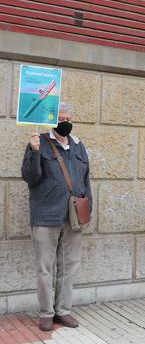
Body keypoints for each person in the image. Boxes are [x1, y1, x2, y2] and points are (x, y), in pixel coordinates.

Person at [21, 102, 92, 331]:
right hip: (45, 215)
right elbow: (30, 178)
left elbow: (85, 179)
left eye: (69, 117)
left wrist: (86, 208)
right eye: (61, 118)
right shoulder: (38, 143)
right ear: (52, 120)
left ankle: (63, 310)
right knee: (45, 268)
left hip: (72, 217)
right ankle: (46, 312)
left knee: (70, 266)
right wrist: (33, 152)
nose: (66, 122)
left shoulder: (79, 146)